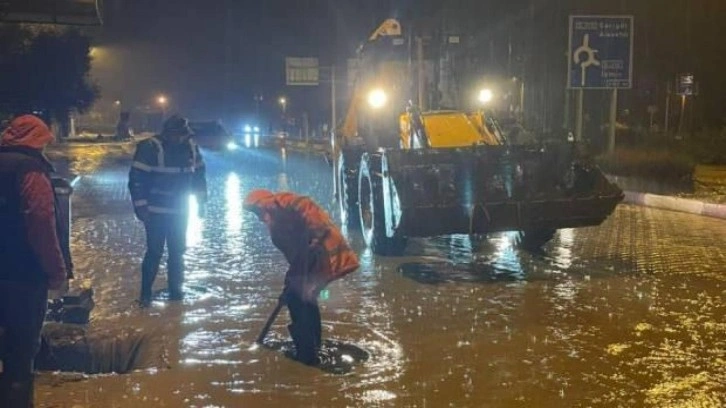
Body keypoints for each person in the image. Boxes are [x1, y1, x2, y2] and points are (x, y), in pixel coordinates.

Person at [0, 114, 70, 407]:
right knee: (20, 353)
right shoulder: (30, 169)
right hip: (22, 274)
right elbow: (41, 223)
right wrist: (57, 272)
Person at [243, 189, 359, 365]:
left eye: (258, 211)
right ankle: (313, 346)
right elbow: (295, 262)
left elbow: (307, 205)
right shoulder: (278, 232)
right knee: (303, 299)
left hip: (324, 256)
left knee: (299, 301)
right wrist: (288, 285)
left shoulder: (284, 203)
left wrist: (315, 236)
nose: (259, 217)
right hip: (310, 263)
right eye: (255, 214)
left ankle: (307, 355)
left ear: (265, 204)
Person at [128, 115, 207, 306]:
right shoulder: (150, 148)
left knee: (177, 251)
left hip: (180, 211)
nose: (179, 139)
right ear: (167, 133)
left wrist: (201, 203)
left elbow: (199, 177)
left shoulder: (191, 148)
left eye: (182, 135)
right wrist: (141, 207)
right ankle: (145, 295)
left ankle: (176, 295)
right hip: (155, 211)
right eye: (175, 135)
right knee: (154, 251)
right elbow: (136, 180)